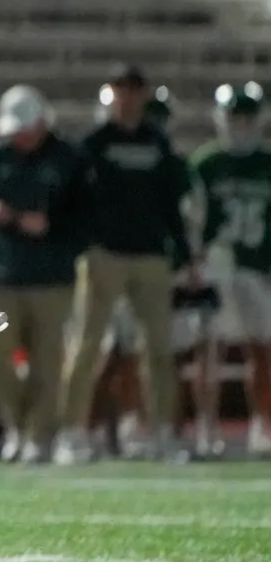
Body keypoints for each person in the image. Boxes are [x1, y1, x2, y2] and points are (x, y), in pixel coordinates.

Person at [55, 65, 190, 465]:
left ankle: (162, 431)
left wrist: (181, 251)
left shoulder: (158, 142)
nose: (128, 97)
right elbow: (71, 199)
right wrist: (86, 243)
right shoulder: (94, 143)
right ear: (111, 93)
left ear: (144, 95)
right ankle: (72, 432)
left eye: (134, 90)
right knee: (87, 346)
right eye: (121, 89)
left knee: (159, 349)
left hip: (150, 255)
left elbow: (171, 202)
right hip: (105, 255)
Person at [0, 85, 82, 464]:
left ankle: (38, 436)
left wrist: (52, 225)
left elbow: (89, 214)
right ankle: (16, 423)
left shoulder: (69, 160)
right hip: (3, 274)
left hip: (53, 277)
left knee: (48, 363)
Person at [190, 83, 271, 458]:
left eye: (246, 117)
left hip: (258, 266)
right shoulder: (205, 164)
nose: (240, 124)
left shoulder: (267, 163)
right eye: (234, 116)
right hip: (216, 265)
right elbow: (191, 218)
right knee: (210, 350)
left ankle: (262, 424)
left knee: (262, 350)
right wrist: (195, 258)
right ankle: (206, 427)